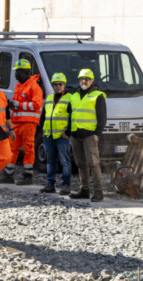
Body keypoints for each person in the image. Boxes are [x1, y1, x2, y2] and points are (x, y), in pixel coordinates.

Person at [67, 68, 106, 201]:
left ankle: (99, 191)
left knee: (93, 163)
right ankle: (84, 189)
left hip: (90, 135)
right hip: (76, 135)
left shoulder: (97, 95)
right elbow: (70, 114)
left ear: (91, 81)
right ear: (79, 80)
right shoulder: (74, 96)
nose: (84, 81)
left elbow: (102, 117)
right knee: (80, 163)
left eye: (87, 79)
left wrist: (97, 133)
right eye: (82, 79)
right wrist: (69, 132)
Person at [8, 58, 43, 185]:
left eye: (17, 72)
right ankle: (8, 174)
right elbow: (17, 103)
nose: (15, 74)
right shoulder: (19, 85)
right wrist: (12, 104)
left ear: (24, 72)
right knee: (11, 148)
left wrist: (18, 104)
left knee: (28, 149)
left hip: (28, 123)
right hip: (17, 122)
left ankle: (28, 176)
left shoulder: (34, 87)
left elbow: (37, 104)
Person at [39, 73, 73, 194]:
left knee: (65, 161)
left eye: (60, 84)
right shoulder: (49, 98)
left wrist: (67, 133)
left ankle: (66, 185)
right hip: (49, 136)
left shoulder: (70, 98)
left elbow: (72, 118)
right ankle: (50, 184)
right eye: (55, 84)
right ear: (52, 85)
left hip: (62, 136)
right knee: (50, 161)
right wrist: (43, 131)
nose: (58, 86)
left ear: (64, 84)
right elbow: (43, 116)